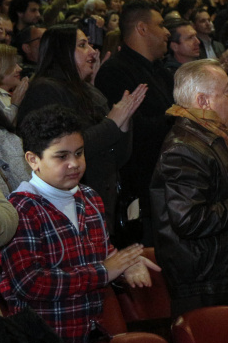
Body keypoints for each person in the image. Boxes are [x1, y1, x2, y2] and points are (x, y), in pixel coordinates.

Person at [0, 105, 158, 343]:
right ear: (33, 160)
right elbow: (30, 282)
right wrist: (104, 271)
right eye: (61, 156)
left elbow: (102, 253)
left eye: (79, 153)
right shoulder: (22, 208)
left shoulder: (90, 198)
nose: (74, 163)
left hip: (92, 333)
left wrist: (126, 266)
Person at [150, 60, 228, 316]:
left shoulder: (207, 135)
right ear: (203, 101)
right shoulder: (184, 147)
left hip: (217, 273)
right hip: (205, 282)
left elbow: (211, 191)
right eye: (226, 91)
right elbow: (189, 219)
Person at [17, 25, 147, 238]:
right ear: (62, 52)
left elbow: (117, 157)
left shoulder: (88, 90)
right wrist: (112, 123)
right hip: (65, 206)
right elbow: (61, 151)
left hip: (100, 201)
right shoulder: (45, 90)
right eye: (82, 45)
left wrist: (123, 124)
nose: (93, 51)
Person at [94, 1, 174, 245]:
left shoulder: (162, 71)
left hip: (166, 181)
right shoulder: (114, 72)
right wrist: (177, 117)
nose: (167, 32)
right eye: (161, 25)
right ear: (142, 28)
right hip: (139, 186)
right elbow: (131, 131)